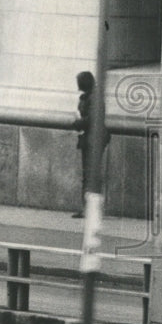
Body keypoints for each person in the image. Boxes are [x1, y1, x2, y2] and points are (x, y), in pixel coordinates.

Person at [71, 70, 110, 218]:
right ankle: (88, 208)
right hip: (88, 139)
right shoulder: (89, 97)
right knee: (89, 174)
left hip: (93, 139)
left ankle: (91, 208)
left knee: (90, 174)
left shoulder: (93, 99)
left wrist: (77, 123)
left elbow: (92, 119)